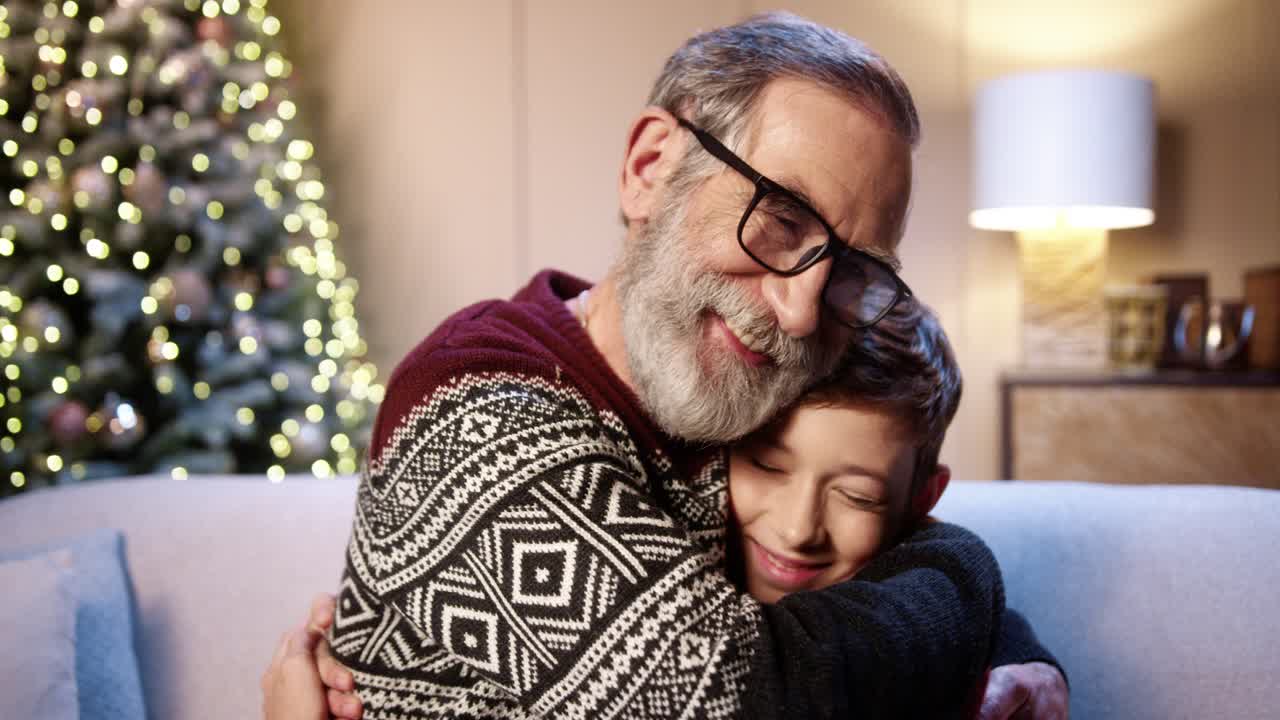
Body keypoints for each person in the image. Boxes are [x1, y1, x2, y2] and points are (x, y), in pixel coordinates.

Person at [264, 12, 1069, 720]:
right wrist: (971, 572)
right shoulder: (477, 407)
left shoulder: (740, 387)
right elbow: (743, 701)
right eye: (781, 219)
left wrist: (1014, 651)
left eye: (854, 268)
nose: (798, 310)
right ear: (651, 167)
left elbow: (876, 550)